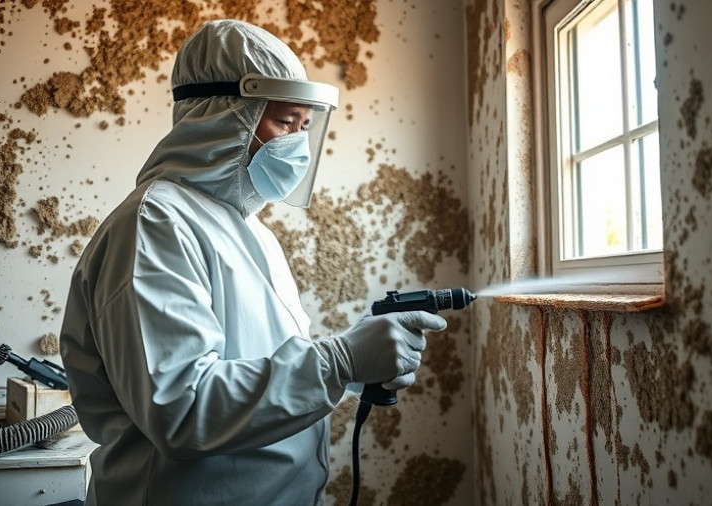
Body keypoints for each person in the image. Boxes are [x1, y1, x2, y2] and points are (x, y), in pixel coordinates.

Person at [59, 19, 446, 505]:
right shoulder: (155, 224)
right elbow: (182, 410)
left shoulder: (251, 232)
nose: (298, 143)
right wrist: (338, 361)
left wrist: (356, 362)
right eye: (285, 122)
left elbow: (258, 369)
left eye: (305, 126)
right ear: (225, 114)